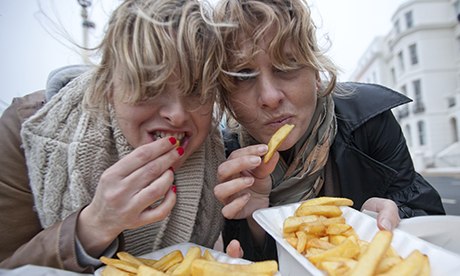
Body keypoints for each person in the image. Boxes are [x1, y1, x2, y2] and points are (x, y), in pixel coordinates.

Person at [210, 0, 446, 261]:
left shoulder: (369, 121)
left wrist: (396, 219)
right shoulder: (223, 157)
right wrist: (256, 223)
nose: (269, 97)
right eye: (243, 76)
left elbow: (432, 221)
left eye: (286, 66)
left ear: (315, 71)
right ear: (226, 96)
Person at [0, 0, 225, 272]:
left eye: (196, 90)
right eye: (151, 86)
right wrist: (94, 226)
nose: (177, 115)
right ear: (108, 86)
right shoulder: (24, 133)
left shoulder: (221, 154)